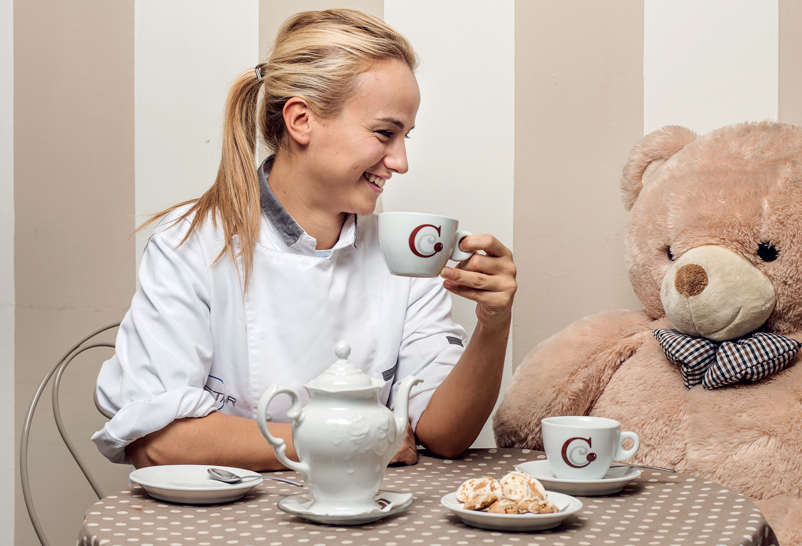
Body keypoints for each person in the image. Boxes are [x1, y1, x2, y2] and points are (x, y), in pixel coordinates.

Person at [91, 9, 516, 470]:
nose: (401, 161)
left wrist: (493, 324)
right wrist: (351, 440)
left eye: (405, 136)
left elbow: (444, 434)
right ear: (301, 120)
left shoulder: (405, 255)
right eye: (385, 133)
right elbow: (158, 442)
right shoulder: (190, 244)